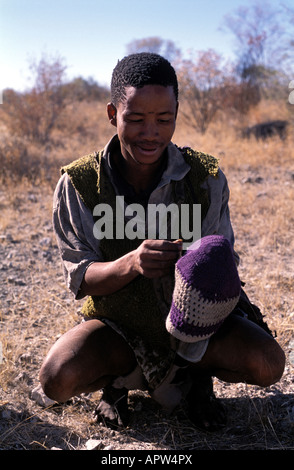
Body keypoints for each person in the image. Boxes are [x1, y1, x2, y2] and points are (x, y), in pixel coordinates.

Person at [39, 53, 285, 431]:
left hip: (198, 326)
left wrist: (197, 265)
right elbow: (81, 277)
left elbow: (224, 265)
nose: (150, 132)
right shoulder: (80, 184)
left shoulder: (204, 177)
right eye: (135, 119)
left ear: (177, 113)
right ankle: (118, 383)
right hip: (119, 325)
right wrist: (132, 263)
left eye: (164, 119)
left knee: (269, 363)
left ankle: (195, 378)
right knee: (57, 378)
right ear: (112, 113)